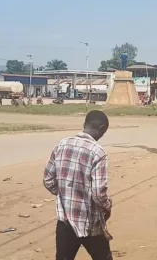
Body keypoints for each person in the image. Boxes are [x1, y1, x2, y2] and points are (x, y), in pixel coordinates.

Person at [44, 110, 113, 260]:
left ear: (84, 124)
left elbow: (48, 180)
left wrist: (64, 193)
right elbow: (98, 193)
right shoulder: (98, 152)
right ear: (102, 129)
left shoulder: (61, 144)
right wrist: (108, 206)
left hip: (65, 221)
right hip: (90, 222)